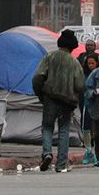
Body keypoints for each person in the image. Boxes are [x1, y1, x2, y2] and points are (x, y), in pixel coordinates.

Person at [32, 29, 85, 173]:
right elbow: (80, 85)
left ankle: (47, 153)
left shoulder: (49, 57)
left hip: (50, 98)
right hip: (67, 102)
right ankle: (61, 164)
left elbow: (37, 77)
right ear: (73, 46)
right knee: (64, 130)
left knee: (47, 127)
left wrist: (40, 93)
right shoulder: (75, 63)